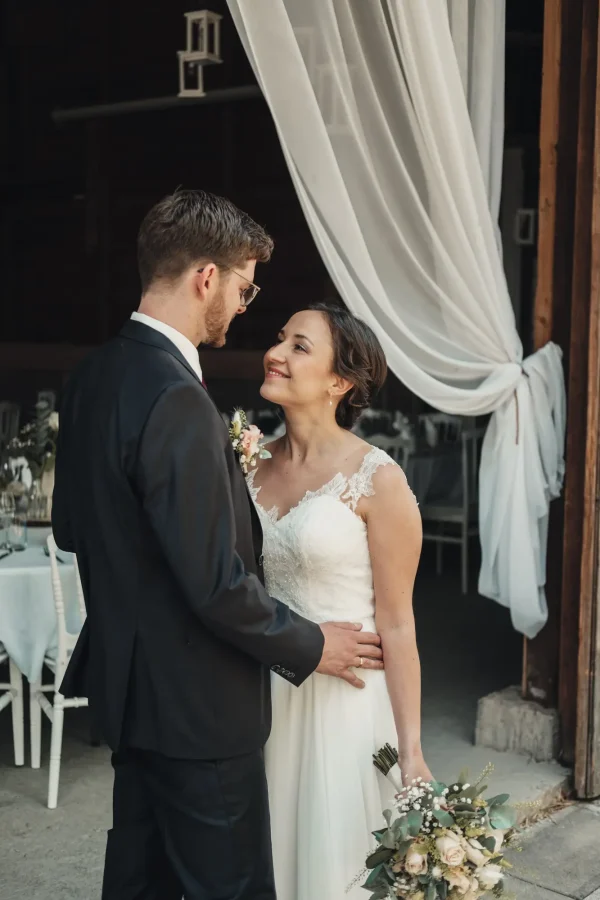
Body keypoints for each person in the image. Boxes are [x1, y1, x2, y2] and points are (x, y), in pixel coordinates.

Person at [52, 190, 384, 900]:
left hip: (132, 697)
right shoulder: (176, 397)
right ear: (207, 277)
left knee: (140, 882)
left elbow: (71, 529)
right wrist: (310, 644)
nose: (242, 305)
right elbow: (213, 583)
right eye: (242, 286)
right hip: (201, 714)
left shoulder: (92, 377)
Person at [246, 303, 432, 900]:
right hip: (261, 694)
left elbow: (399, 626)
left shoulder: (378, 479)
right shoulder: (244, 465)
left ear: (339, 381)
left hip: (344, 708)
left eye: (300, 346)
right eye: (280, 339)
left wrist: (412, 752)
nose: (277, 353)